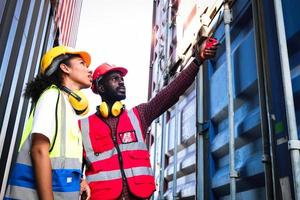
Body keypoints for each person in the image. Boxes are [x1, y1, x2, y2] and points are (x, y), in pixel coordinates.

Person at [79, 38, 219, 200]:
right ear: (101, 87)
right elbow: (71, 170)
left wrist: (197, 61)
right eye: (115, 79)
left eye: (122, 79)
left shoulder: (139, 115)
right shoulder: (83, 127)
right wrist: (80, 181)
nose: (121, 82)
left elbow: (170, 93)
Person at [5, 45, 93, 200]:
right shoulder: (52, 96)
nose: (89, 70)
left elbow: (60, 158)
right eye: (82, 64)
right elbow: (39, 150)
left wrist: (79, 180)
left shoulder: (67, 106)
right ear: (65, 68)